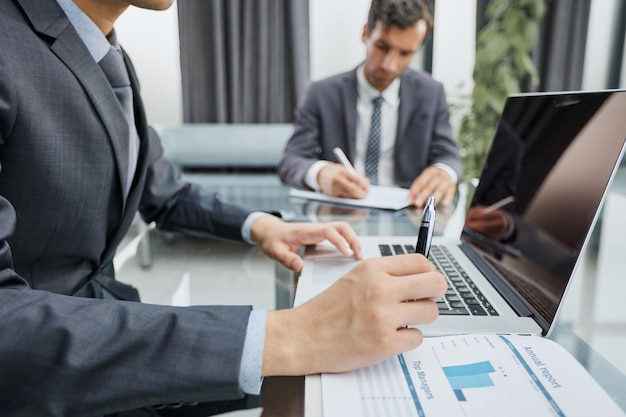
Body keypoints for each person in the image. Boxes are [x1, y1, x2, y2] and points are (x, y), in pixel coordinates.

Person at [0, 0, 447, 416]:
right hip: (45, 363)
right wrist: (292, 334)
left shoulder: (106, 51)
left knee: (323, 383)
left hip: (107, 320)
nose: (390, 63)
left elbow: (166, 192)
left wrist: (263, 227)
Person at [278, 0, 462, 209]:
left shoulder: (431, 93)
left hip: (408, 217)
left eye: (405, 53)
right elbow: (291, 160)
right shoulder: (321, 93)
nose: (389, 65)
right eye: (382, 47)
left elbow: (449, 156)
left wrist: (443, 172)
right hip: (338, 217)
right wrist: (321, 173)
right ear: (365, 33)